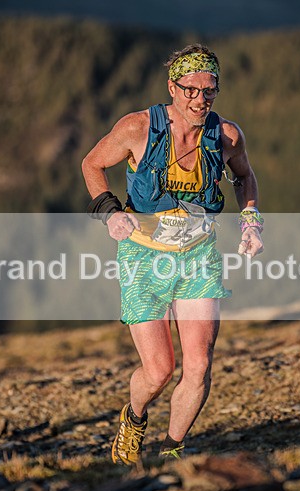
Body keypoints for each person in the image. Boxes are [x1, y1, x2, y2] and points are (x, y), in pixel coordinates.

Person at [81, 44, 263, 465]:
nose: (201, 99)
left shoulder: (227, 135)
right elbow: (92, 164)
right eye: (191, 90)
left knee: (198, 365)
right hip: (143, 257)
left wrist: (251, 219)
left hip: (198, 255)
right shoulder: (137, 128)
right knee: (159, 370)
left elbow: (245, 176)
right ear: (173, 87)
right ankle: (135, 416)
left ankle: (172, 451)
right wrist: (108, 213)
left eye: (210, 90)